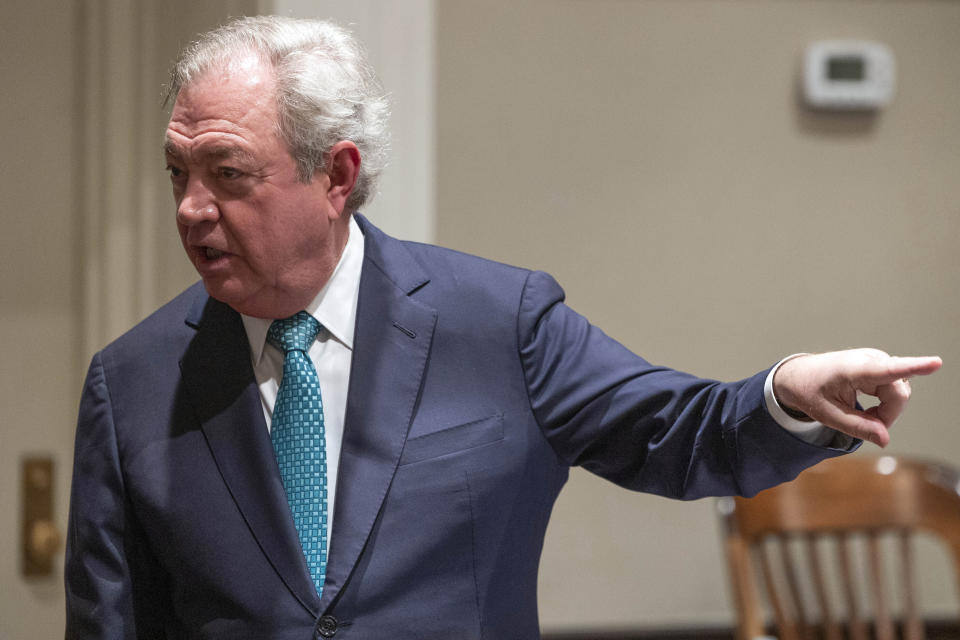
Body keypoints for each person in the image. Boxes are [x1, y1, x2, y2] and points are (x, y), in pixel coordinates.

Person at [64, 15, 941, 639]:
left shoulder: (499, 325)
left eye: (226, 172)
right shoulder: (133, 381)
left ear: (336, 175)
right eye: (179, 171)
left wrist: (785, 394)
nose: (191, 209)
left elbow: (677, 435)